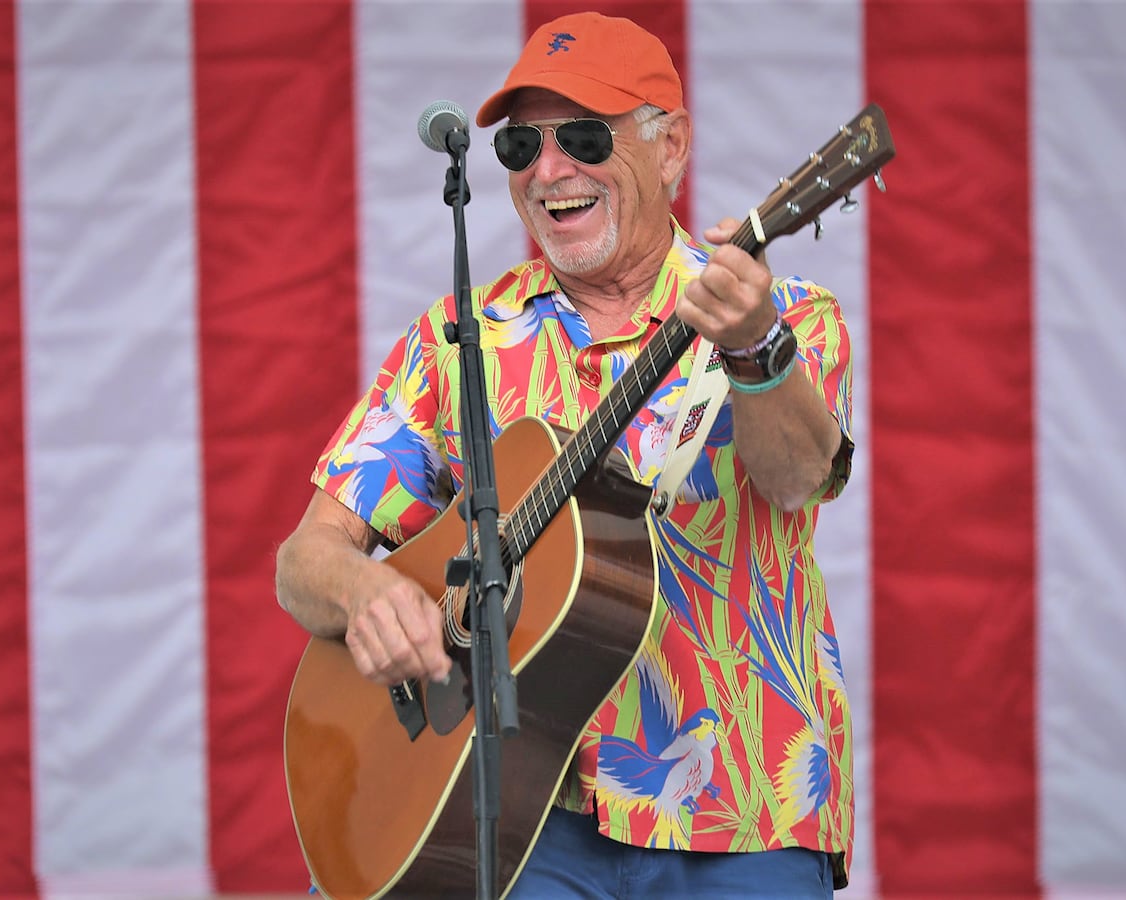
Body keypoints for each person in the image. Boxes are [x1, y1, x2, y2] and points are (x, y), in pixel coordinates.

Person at [276, 10, 854, 898]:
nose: (550, 171)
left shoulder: (785, 315)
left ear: (671, 148)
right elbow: (304, 560)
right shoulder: (460, 341)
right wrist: (368, 593)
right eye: (520, 149)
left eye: (584, 136)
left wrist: (754, 351)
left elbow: (797, 479)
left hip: (745, 808)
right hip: (520, 817)